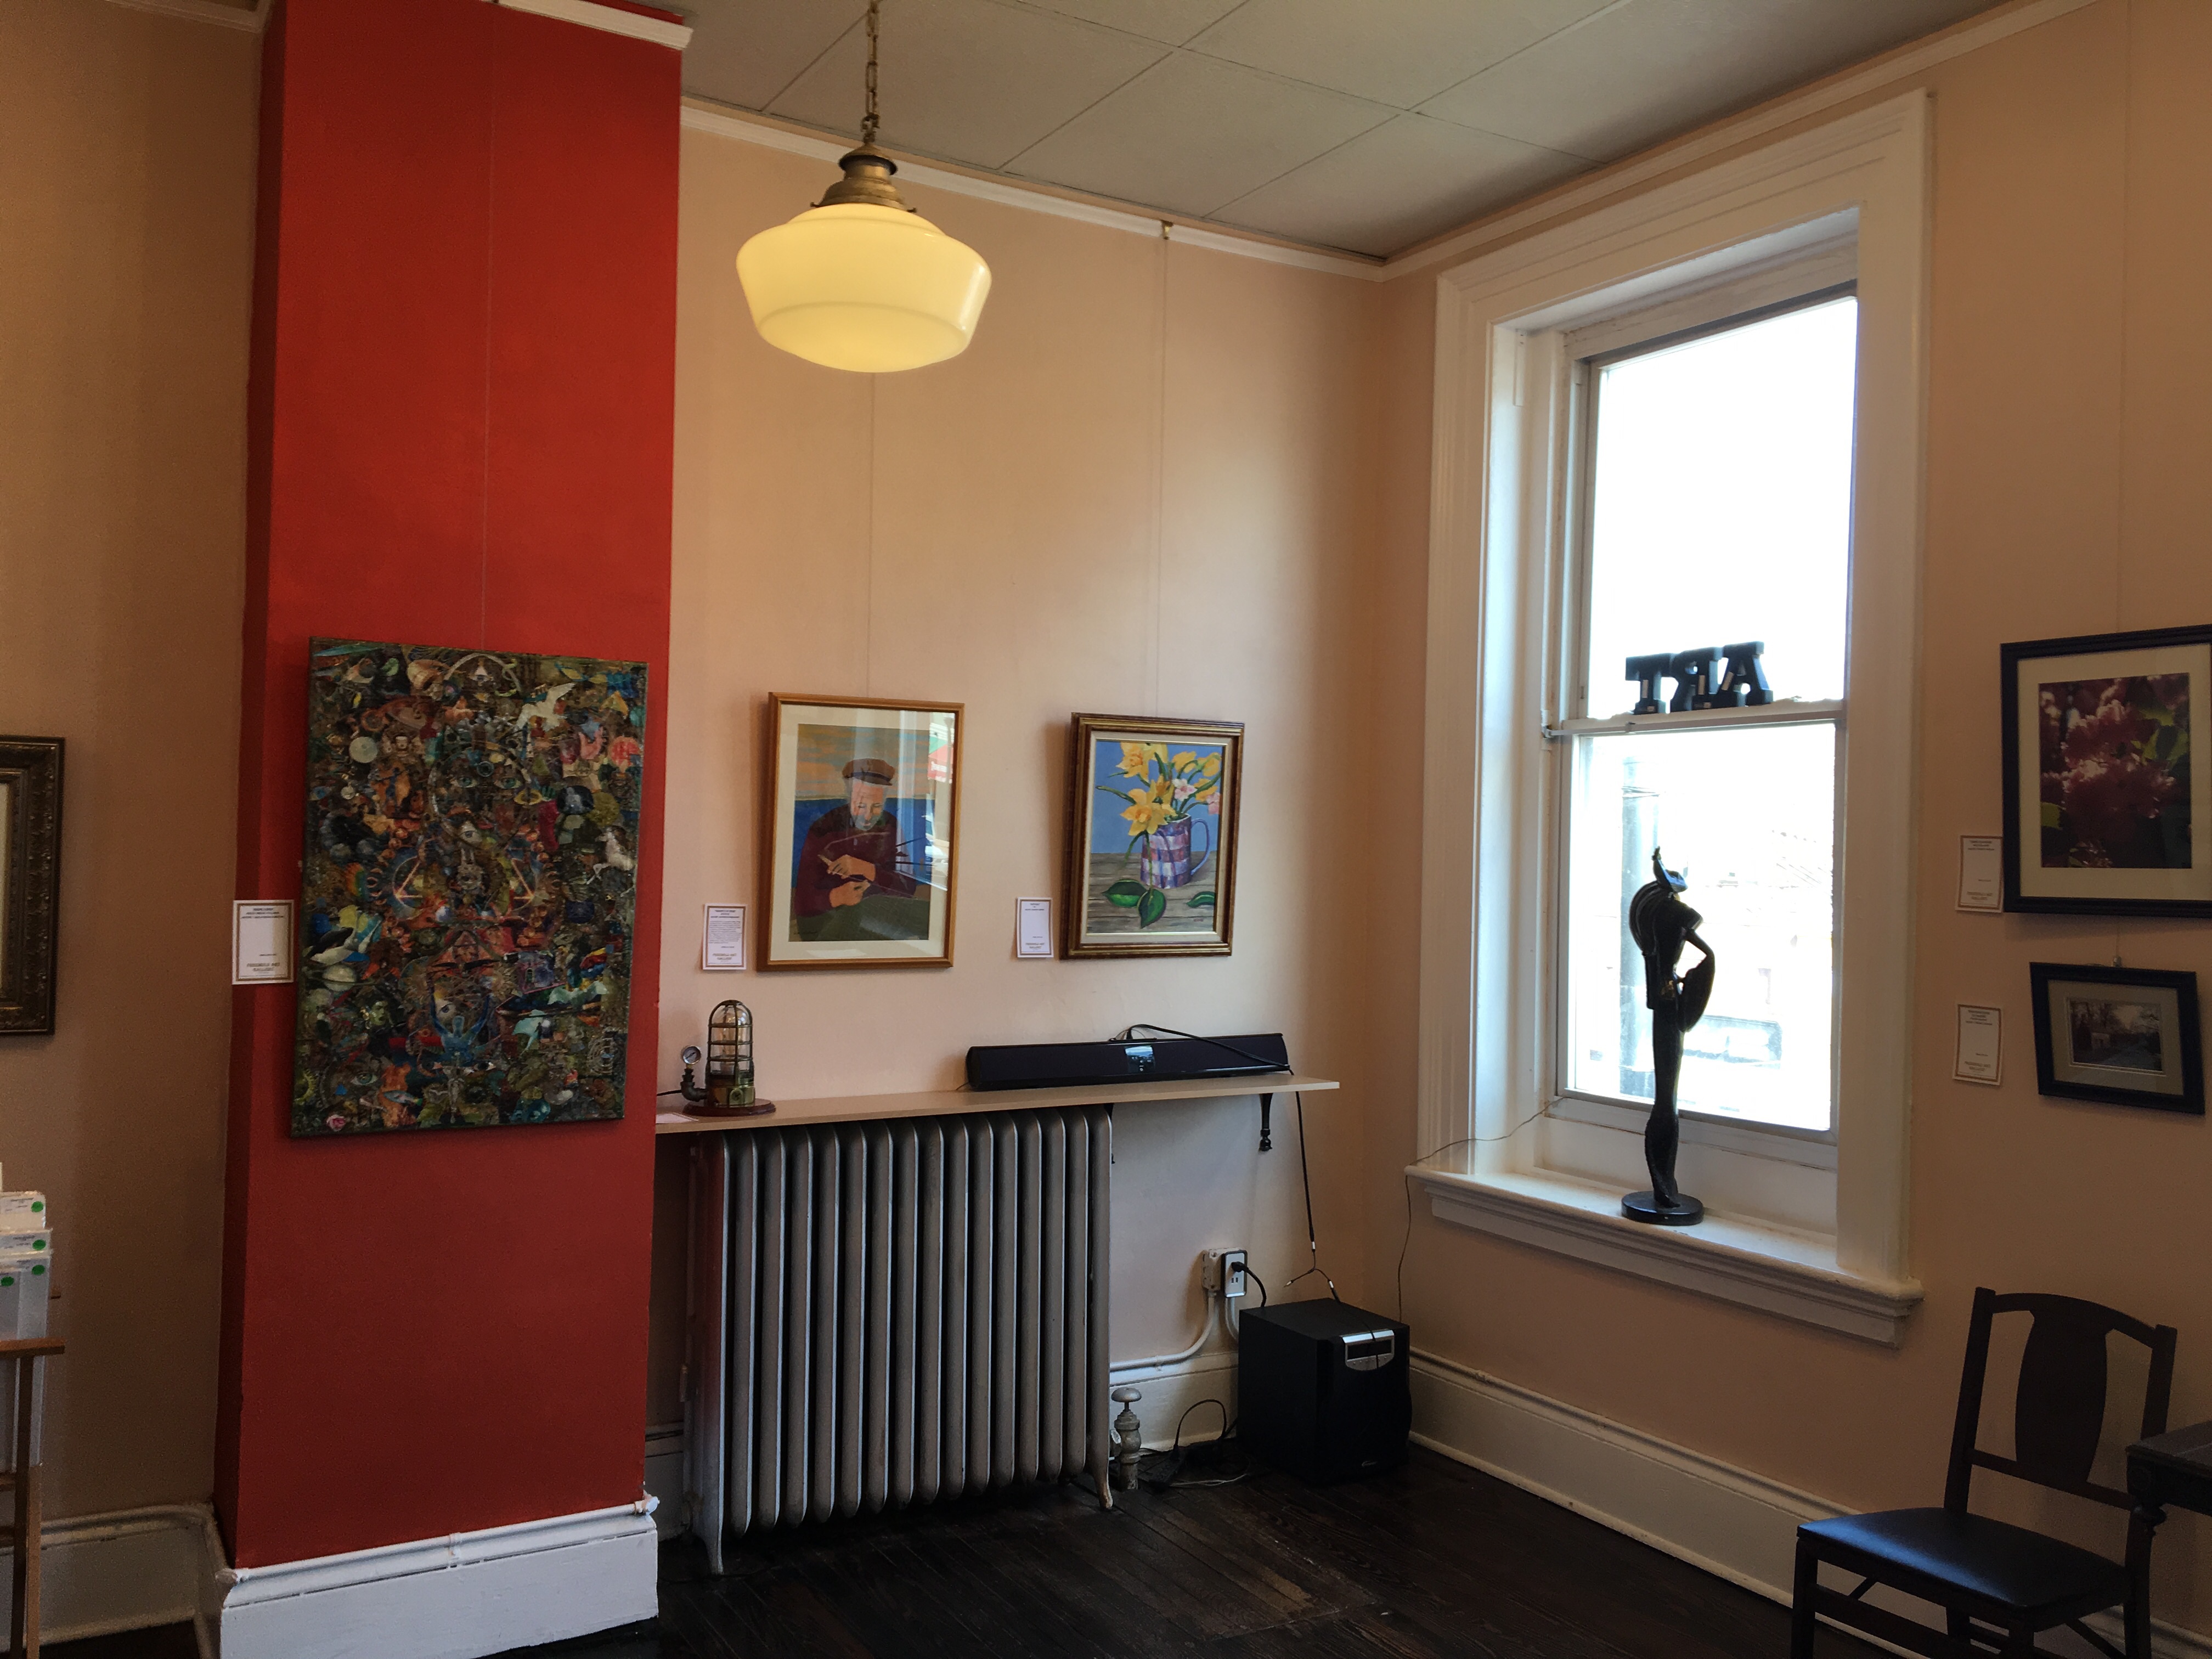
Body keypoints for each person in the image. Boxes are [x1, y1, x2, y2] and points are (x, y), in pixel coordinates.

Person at [791, 758, 927, 940]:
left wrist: (867, 870)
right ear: (849, 798)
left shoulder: (891, 826)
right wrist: (838, 896)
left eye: (877, 806)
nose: (868, 816)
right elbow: (803, 903)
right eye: (861, 806)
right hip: (826, 924)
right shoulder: (824, 829)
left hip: (875, 913)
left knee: (929, 913)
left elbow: (907, 886)